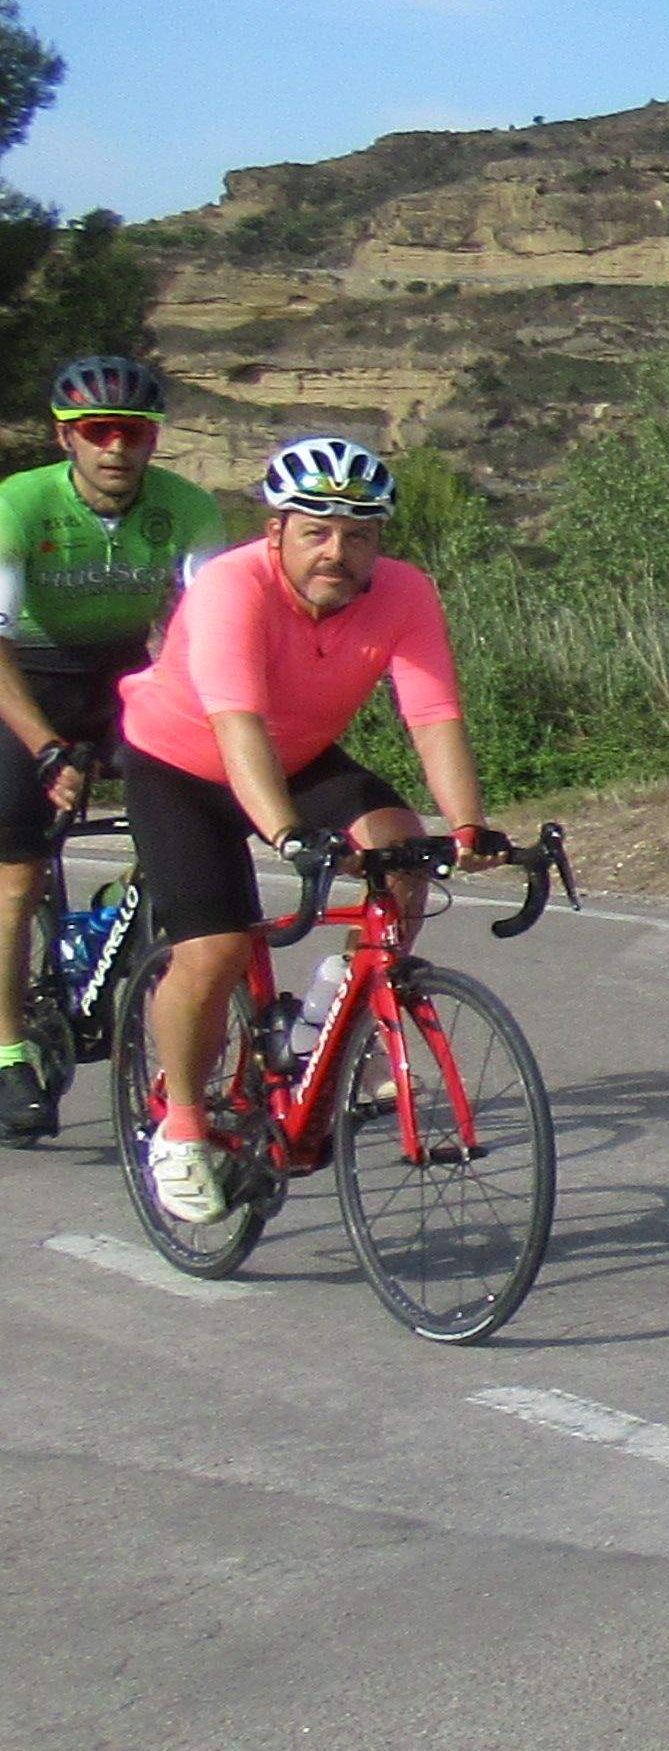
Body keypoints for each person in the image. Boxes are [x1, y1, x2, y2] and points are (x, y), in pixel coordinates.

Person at [114, 437, 501, 1229]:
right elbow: (235, 721)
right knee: (216, 950)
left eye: (358, 534)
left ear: (380, 542)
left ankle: (332, 1023)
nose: (338, 551)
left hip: (294, 753)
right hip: (181, 763)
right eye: (316, 531)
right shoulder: (230, 587)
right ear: (276, 534)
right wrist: (286, 834)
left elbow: (432, 716)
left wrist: (467, 825)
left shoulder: (403, 593)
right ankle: (182, 1125)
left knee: (399, 847)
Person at [0, 355, 237, 1140]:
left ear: (152, 440)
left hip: (124, 681)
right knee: (17, 875)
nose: (115, 448)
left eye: (132, 433)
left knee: (183, 825)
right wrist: (43, 750)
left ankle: (138, 954)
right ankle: (6, 1055)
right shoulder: (20, 503)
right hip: (24, 682)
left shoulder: (187, 507)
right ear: (66, 437)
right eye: (97, 432)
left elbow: (209, 634)